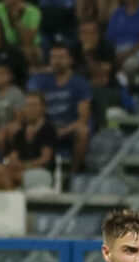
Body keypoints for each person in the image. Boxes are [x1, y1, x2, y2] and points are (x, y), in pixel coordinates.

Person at [28, 44, 92, 173]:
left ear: (70, 60)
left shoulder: (80, 84)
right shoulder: (42, 81)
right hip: (46, 128)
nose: (57, 61)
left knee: (83, 131)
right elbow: (33, 107)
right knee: (25, 127)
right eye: (53, 57)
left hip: (68, 130)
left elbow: (83, 119)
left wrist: (62, 131)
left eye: (61, 57)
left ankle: (73, 172)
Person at [0, 91, 55, 191]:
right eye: (27, 105)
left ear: (43, 108)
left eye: (33, 105)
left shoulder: (48, 129)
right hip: (22, 169)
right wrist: (10, 162)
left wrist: (24, 165)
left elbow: (45, 159)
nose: (30, 109)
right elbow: (13, 156)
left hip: (42, 172)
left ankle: (11, 203)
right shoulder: (20, 133)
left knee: (9, 175)